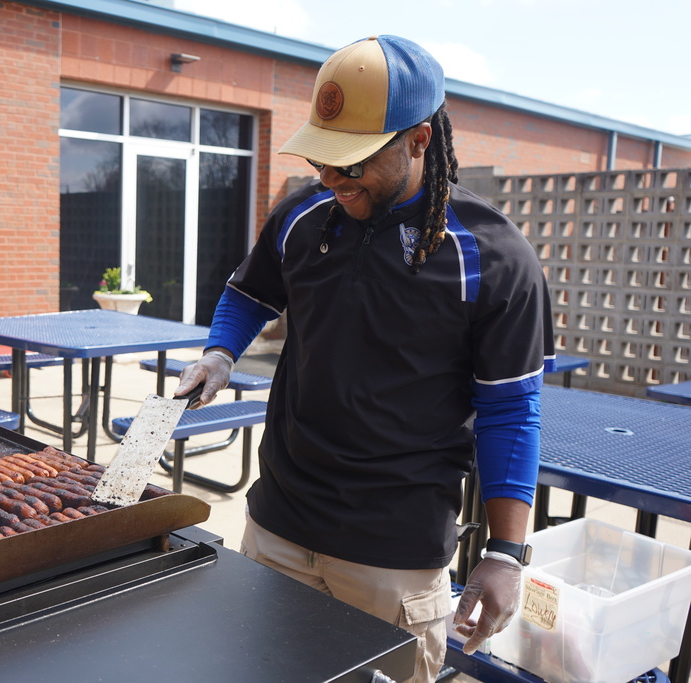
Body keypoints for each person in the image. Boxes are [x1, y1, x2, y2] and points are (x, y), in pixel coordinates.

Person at [175, 34, 555, 682]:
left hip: (393, 560)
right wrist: (219, 353)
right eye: (325, 157)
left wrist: (507, 552)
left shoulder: (490, 257)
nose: (331, 177)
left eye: (352, 162)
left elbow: (510, 411)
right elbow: (249, 291)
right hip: (276, 528)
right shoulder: (304, 216)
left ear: (419, 140)